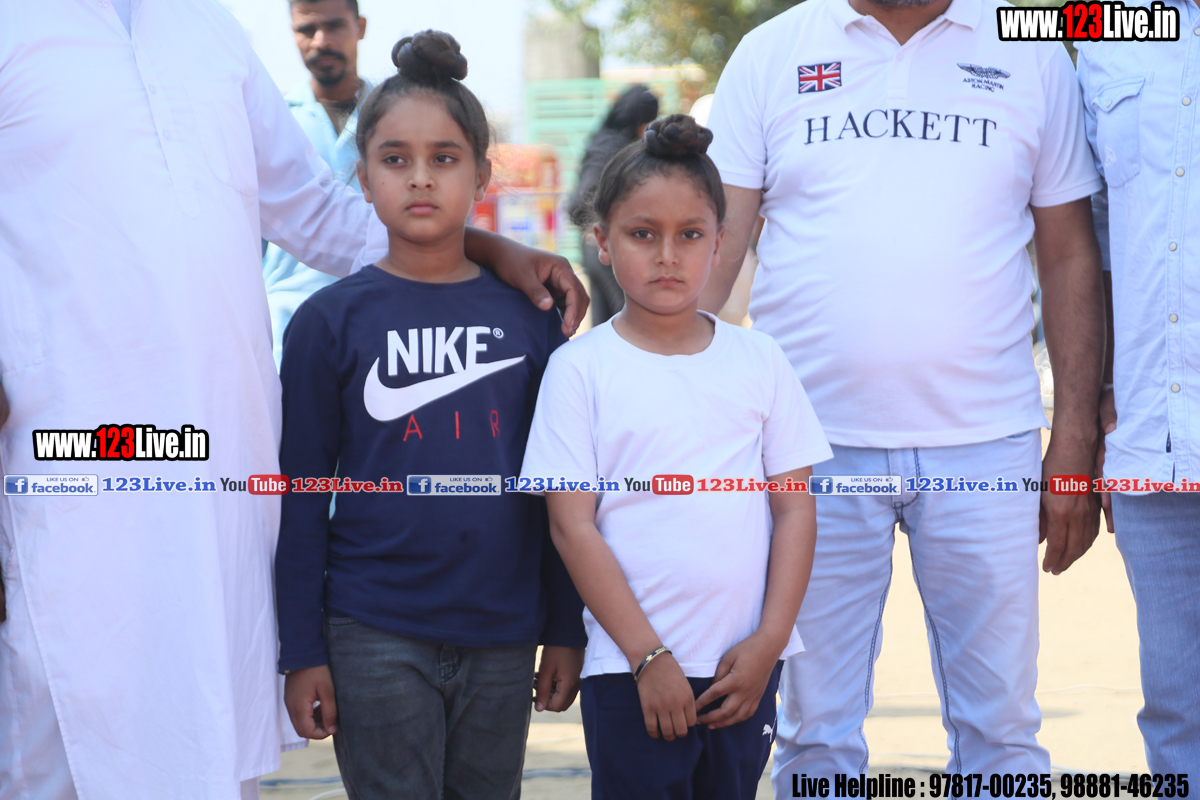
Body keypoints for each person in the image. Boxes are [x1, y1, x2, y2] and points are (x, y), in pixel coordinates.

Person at [0, 4, 587, 799]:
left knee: (206, 703)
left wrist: (487, 250)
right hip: (69, 437)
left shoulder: (204, 29)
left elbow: (313, 208)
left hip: (219, 442)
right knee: (65, 692)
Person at [703, 0, 1105, 780]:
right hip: (805, 451)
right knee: (814, 733)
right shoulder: (770, 52)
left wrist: (1075, 438)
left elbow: (1069, 256)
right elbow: (710, 254)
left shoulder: (1030, 53)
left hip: (987, 446)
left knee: (1002, 732)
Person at [275, 31, 586, 799]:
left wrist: (564, 626)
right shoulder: (326, 323)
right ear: (363, 177)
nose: (420, 177)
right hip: (371, 628)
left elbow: (560, 488)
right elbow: (301, 497)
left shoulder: (531, 320)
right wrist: (301, 650)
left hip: (503, 631)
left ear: (482, 174)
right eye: (395, 158)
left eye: (444, 158)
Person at [523, 115, 832, 799]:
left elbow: (795, 512)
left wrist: (770, 642)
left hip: (742, 669)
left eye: (690, 234)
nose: (668, 255)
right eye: (643, 234)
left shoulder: (761, 359)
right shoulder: (579, 370)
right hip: (628, 671)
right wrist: (648, 657)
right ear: (602, 243)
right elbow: (572, 528)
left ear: (721, 243)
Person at [1078, 19, 1200, 771]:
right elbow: (1092, 235)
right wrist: (1098, 393)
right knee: (1177, 707)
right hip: (1154, 433)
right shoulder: (1101, 37)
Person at [262, 0, 371, 369]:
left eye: (335, 25)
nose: (321, 40)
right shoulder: (272, 120)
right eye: (307, 30)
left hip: (378, 321)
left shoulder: (397, 116)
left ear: (360, 27)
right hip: (288, 332)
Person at [568, 85, 659, 325]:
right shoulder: (617, 147)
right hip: (606, 245)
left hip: (594, 245)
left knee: (604, 325)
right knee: (632, 322)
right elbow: (583, 196)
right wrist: (604, 223)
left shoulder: (602, 139)